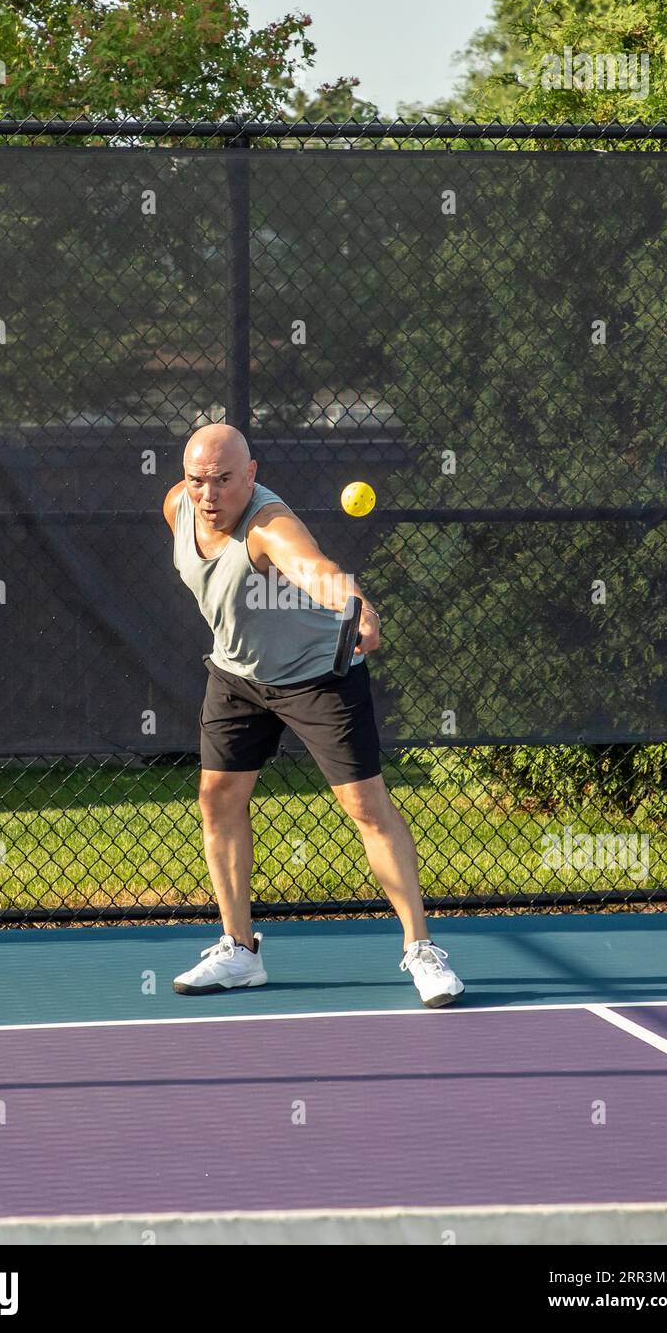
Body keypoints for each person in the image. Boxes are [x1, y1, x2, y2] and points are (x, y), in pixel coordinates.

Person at [163, 423, 464, 1008]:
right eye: (199, 479)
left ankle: (421, 949)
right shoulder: (177, 507)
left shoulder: (269, 526)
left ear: (250, 475)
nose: (209, 493)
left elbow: (312, 568)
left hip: (319, 675)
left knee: (365, 806)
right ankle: (239, 951)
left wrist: (357, 607)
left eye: (224, 480)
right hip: (238, 677)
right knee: (217, 799)